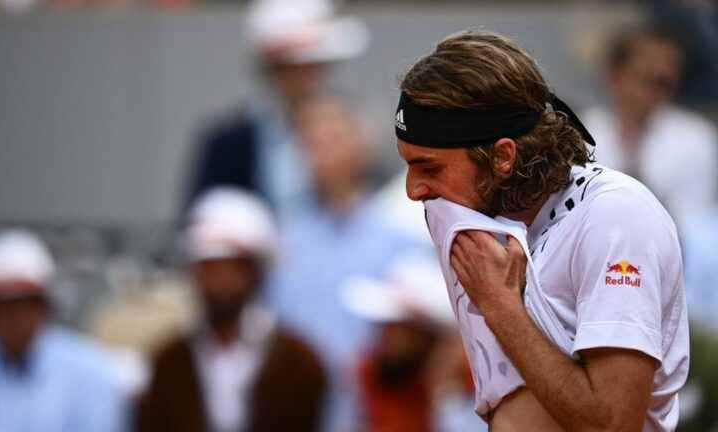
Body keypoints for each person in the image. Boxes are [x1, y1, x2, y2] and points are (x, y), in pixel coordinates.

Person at [394, 31, 689, 431]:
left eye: (430, 168)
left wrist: (501, 307)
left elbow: (613, 425)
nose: (414, 191)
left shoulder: (616, 217)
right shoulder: (479, 221)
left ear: (502, 156)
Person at [264, 94, 422, 429]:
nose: (321, 154)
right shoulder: (281, 245)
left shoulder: (401, 238)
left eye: (332, 138)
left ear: (361, 146)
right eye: (309, 142)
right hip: (299, 413)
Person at [135, 187, 327, 432]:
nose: (220, 281)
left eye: (233, 268)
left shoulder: (301, 363)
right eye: (209, 268)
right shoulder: (169, 363)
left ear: (257, 273)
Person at [184, 0, 368, 217]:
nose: (315, 76)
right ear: (274, 69)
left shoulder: (350, 133)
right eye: (303, 66)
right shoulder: (227, 144)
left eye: (320, 65)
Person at [0, 229, 128, 432]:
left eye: (26, 302)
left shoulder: (90, 373)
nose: (15, 316)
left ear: (46, 304)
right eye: (1, 305)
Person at [582, 24, 717, 225]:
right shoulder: (576, 132)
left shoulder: (697, 138)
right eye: (645, 77)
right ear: (615, 77)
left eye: (663, 82)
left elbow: (696, 223)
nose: (653, 91)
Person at [342, 253, 485, 432]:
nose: (386, 336)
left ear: (428, 335)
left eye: (399, 327)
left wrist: (444, 392)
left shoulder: (473, 386)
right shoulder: (373, 371)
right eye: (385, 325)